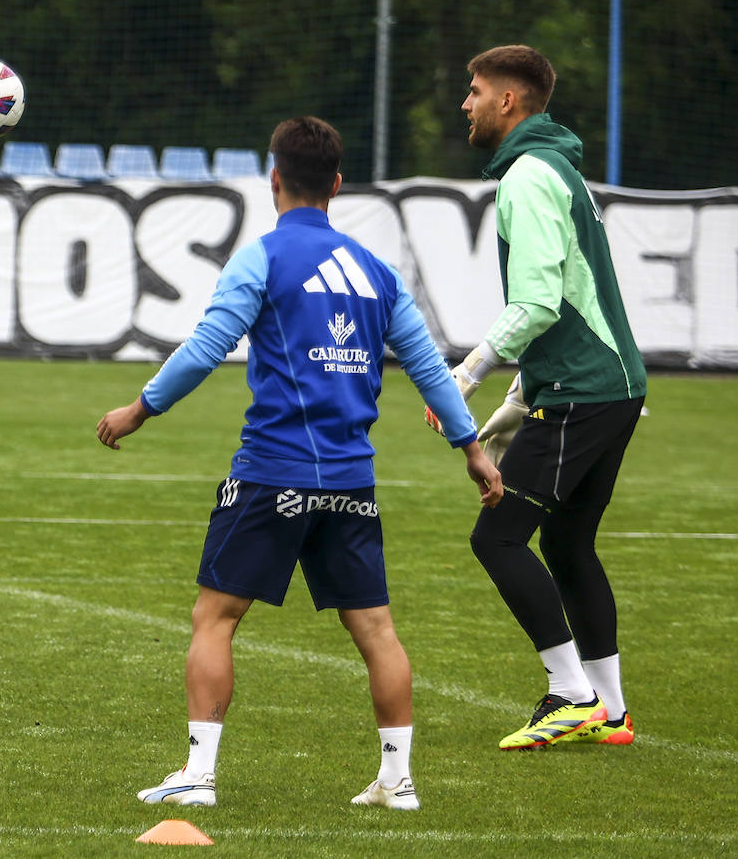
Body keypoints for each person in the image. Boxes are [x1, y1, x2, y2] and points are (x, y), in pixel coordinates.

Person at [97, 116, 502, 810]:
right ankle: (398, 780)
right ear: (337, 184)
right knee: (376, 629)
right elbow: (432, 371)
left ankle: (197, 774)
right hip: (351, 479)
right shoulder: (377, 273)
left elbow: (204, 348)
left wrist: (140, 409)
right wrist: (471, 448)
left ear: (274, 178)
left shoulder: (262, 258)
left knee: (215, 617)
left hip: (271, 472)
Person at [438, 44, 646, 749]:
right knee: (566, 539)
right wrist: (524, 395)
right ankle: (611, 712)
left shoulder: (527, 175)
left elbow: (535, 303)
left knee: (496, 536)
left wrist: (463, 378)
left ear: (509, 100)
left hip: (585, 392)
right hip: (611, 387)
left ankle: (569, 692)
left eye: (473, 91)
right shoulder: (558, 167)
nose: (464, 103)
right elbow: (569, 296)